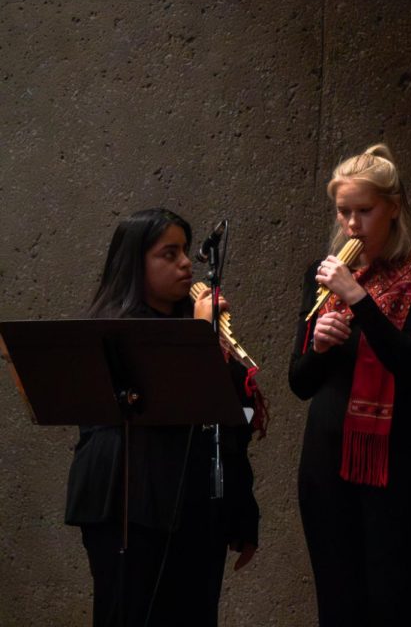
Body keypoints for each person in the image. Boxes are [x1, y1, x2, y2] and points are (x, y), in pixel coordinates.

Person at [65, 208, 259, 627]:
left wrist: (242, 511)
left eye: (186, 251)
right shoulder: (114, 331)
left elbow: (228, 426)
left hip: (194, 512)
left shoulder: (195, 325)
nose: (187, 263)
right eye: (169, 254)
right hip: (127, 508)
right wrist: (197, 338)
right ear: (136, 263)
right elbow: (170, 404)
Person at [289, 143, 411, 626]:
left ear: (393, 207)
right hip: (326, 463)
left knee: (390, 605)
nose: (352, 225)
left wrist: (358, 299)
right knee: (337, 607)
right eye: (344, 212)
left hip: (399, 467)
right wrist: (316, 348)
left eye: (365, 211)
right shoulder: (323, 274)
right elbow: (300, 383)